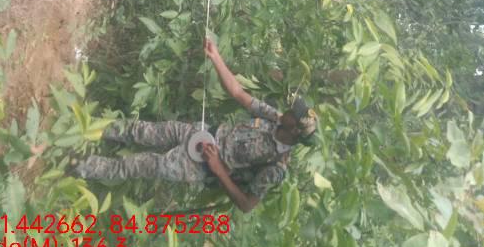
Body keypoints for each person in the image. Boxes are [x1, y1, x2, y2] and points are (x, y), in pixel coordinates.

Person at [72, 38, 318, 213]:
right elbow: (238, 93)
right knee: (139, 130)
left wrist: (218, 169)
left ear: (295, 130)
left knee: (137, 165)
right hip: (199, 132)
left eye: (294, 115)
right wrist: (216, 57)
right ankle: (84, 129)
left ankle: (79, 165)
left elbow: (246, 205)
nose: (289, 110)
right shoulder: (275, 118)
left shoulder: (275, 167)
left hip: (199, 165)